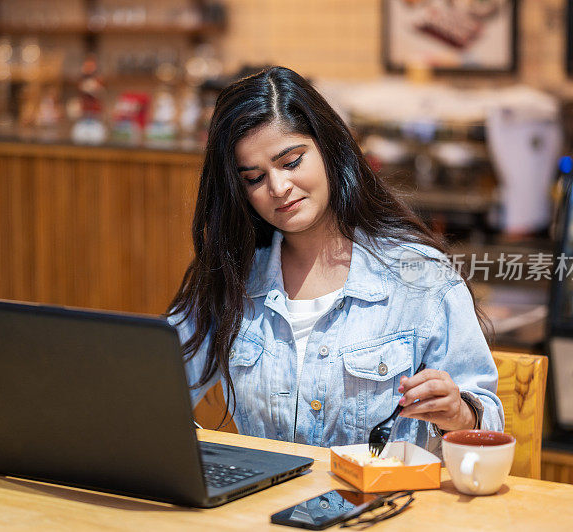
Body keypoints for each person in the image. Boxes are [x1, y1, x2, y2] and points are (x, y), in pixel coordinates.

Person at [166, 66, 502, 454]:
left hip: (382, 508)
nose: (278, 188)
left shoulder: (420, 278)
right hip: (259, 509)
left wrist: (458, 413)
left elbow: (487, 420)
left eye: (291, 162)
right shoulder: (233, 278)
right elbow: (154, 382)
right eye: (254, 178)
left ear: (328, 148)